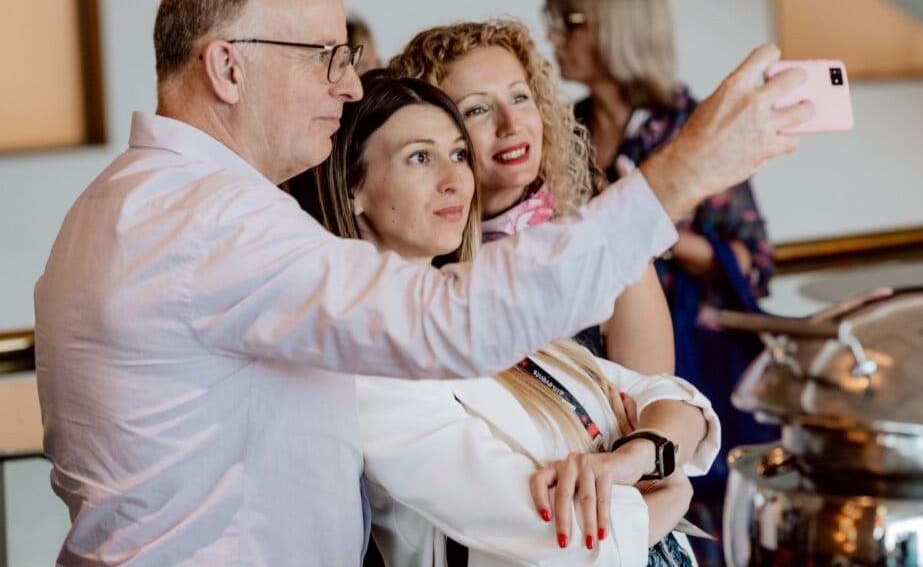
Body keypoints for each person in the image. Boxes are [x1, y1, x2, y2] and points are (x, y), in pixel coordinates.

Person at [34, 0, 811, 565]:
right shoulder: (210, 222)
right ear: (228, 66)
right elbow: (450, 326)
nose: (346, 87)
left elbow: (660, 400)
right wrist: (686, 173)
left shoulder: (122, 202)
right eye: (324, 58)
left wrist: (644, 458)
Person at [290, 72, 718, 565]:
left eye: (458, 155)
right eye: (420, 157)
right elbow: (561, 532)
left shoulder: (485, 310)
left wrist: (635, 456)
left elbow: (678, 401)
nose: (454, 180)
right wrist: (670, 492)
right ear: (351, 189)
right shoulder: (370, 366)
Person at [544, 0, 778, 561]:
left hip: (693, 359)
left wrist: (651, 224)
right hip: (599, 365)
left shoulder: (691, 127)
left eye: (569, 21)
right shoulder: (561, 128)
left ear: (615, 23)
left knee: (701, 518)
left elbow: (755, 260)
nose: (552, 37)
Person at [390, 19, 673, 374]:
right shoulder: (417, 272)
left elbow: (662, 404)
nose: (511, 125)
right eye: (478, 109)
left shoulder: (604, 251)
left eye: (519, 97)